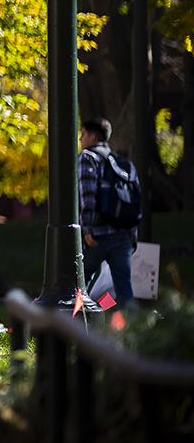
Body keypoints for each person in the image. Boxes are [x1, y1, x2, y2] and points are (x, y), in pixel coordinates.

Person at [79, 117, 139, 311]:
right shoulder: (119, 161)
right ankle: (133, 330)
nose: (80, 138)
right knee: (124, 289)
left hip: (98, 234)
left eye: (83, 134)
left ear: (93, 136)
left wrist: (86, 229)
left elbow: (87, 196)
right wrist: (132, 234)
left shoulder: (88, 158)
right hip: (122, 235)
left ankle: (77, 327)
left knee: (80, 285)